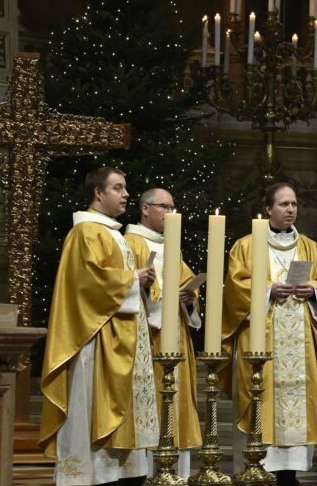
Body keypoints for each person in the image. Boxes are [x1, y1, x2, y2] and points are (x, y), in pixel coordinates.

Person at [40, 167, 158, 486]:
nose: (126, 194)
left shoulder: (111, 233)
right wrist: (134, 279)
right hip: (94, 338)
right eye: (118, 188)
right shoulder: (85, 232)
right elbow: (86, 282)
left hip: (118, 336)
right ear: (98, 193)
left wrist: (142, 282)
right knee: (89, 408)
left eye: (125, 187)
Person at [223, 182, 317, 485]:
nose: (291, 210)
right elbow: (235, 288)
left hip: (299, 343)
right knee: (261, 401)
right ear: (269, 209)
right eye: (284, 204)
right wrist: (268, 289)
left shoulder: (309, 246)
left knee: (297, 406)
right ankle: (257, 468)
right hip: (262, 344)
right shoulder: (246, 246)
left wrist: (313, 290)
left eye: (294, 204)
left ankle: (289, 474)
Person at [123, 188, 203, 478]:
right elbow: (130, 290)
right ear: (145, 209)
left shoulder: (172, 247)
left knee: (176, 403)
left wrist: (190, 298)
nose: (171, 213)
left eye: (173, 207)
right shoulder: (130, 242)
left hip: (177, 336)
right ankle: (143, 473)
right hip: (147, 338)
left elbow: (187, 285)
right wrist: (161, 294)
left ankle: (174, 475)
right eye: (164, 207)